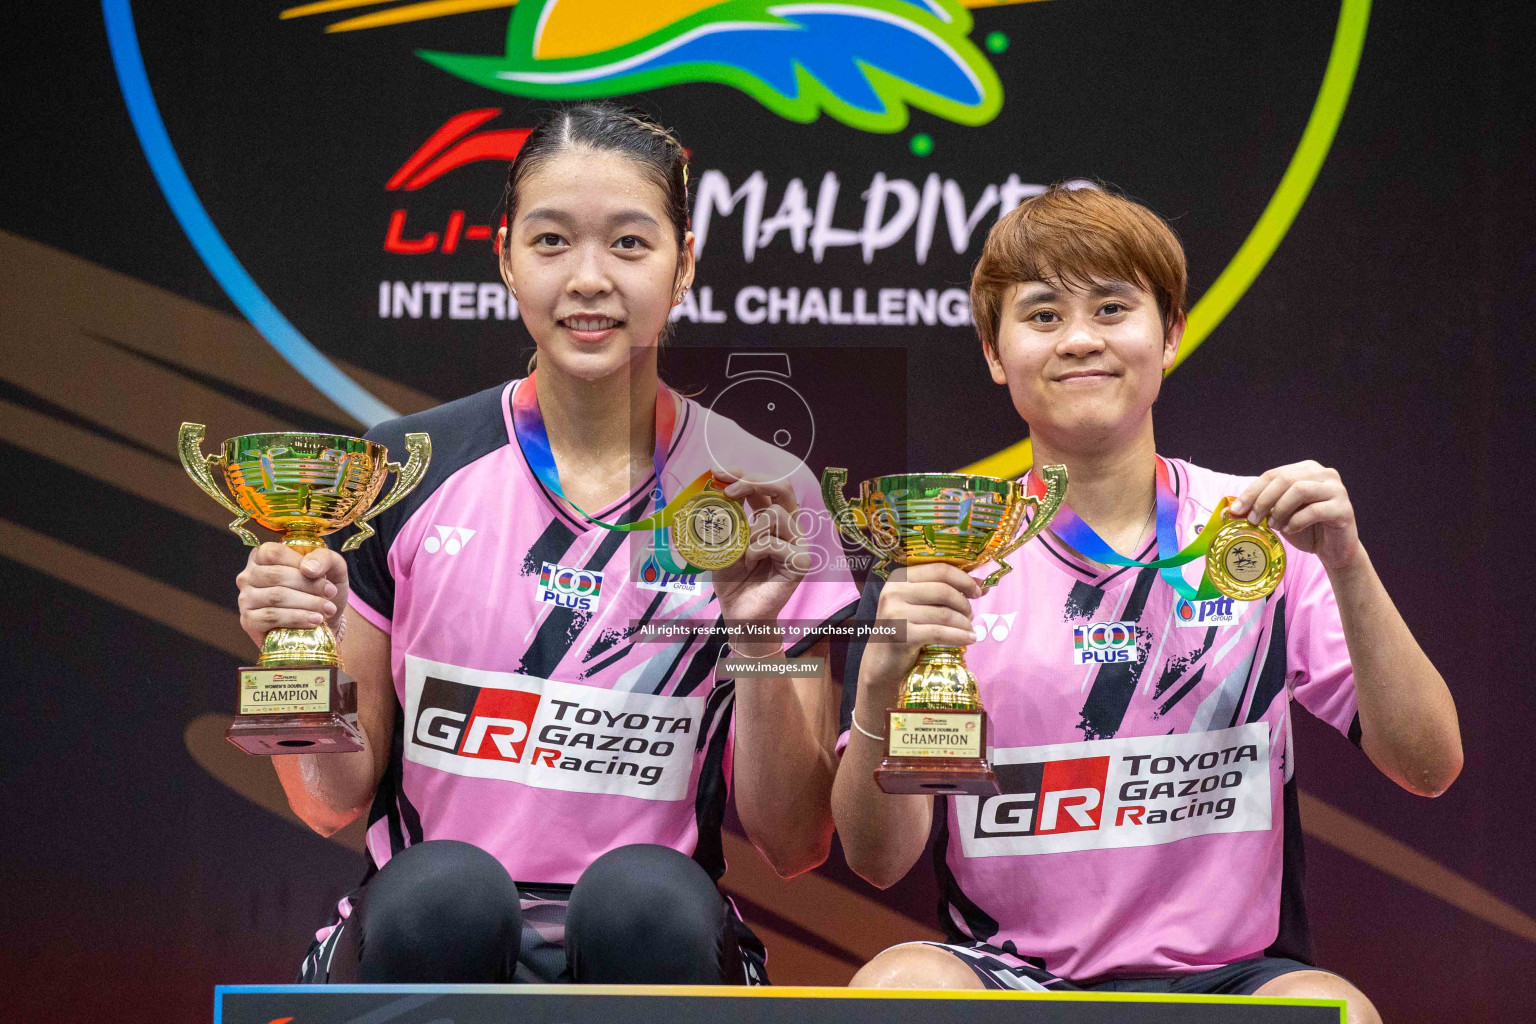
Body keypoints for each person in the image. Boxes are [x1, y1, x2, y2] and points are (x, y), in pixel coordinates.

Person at [234, 103, 860, 984]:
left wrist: (754, 638)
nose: (589, 279)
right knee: (442, 894)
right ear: (505, 259)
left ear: (685, 264)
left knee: (649, 898)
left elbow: (795, 841)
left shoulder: (764, 491)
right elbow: (328, 800)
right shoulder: (400, 470)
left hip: (658, 944)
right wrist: (289, 644)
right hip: (424, 933)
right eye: (553, 241)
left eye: (631, 245)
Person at [831, 185, 1462, 1022]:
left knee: (1336, 1013)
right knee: (899, 988)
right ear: (994, 350)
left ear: (1171, 334)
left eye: (1113, 306)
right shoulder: (943, 562)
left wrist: (1347, 563)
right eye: (1044, 315)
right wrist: (881, 681)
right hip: (1009, 978)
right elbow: (880, 861)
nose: (1081, 339)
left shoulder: (1262, 538)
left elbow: (1429, 765)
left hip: (1231, 979)